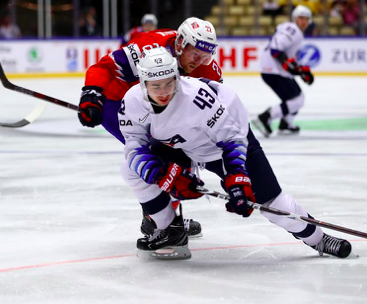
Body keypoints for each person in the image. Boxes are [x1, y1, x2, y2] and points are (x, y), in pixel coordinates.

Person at [119, 46, 352, 260]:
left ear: (177, 79)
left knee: (271, 202)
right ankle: (170, 230)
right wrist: (162, 175)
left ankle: (318, 239)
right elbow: (134, 146)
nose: (163, 92)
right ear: (143, 83)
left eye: (168, 84)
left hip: (229, 141)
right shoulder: (131, 101)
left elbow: (230, 139)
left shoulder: (197, 99)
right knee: (130, 169)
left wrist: (237, 179)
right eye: (155, 86)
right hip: (184, 145)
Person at [77, 17, 222, 239]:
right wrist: (92, 94)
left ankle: (166, 217)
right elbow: (104, 67)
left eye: (206, 55)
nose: (200, 60)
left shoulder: (207, 69)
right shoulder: (150, 47)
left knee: (180, 155)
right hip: (118, 103)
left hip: (158, 107)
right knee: (151, 156)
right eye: (195, 53)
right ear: (182, 43)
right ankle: (156, 219)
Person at [253, 5, 315, 138]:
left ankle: (286, 123)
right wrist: (296, 69)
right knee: (297, 100)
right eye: (301, 18)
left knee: (296, 98)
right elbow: (276, 50)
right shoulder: (293, 29)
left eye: (306, 19)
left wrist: (299, 70)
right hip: (273, 70)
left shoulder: (292, 30)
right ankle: (265, 118)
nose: (303, 21)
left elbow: (286, 56)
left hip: (272, 69)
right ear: (295, 19)